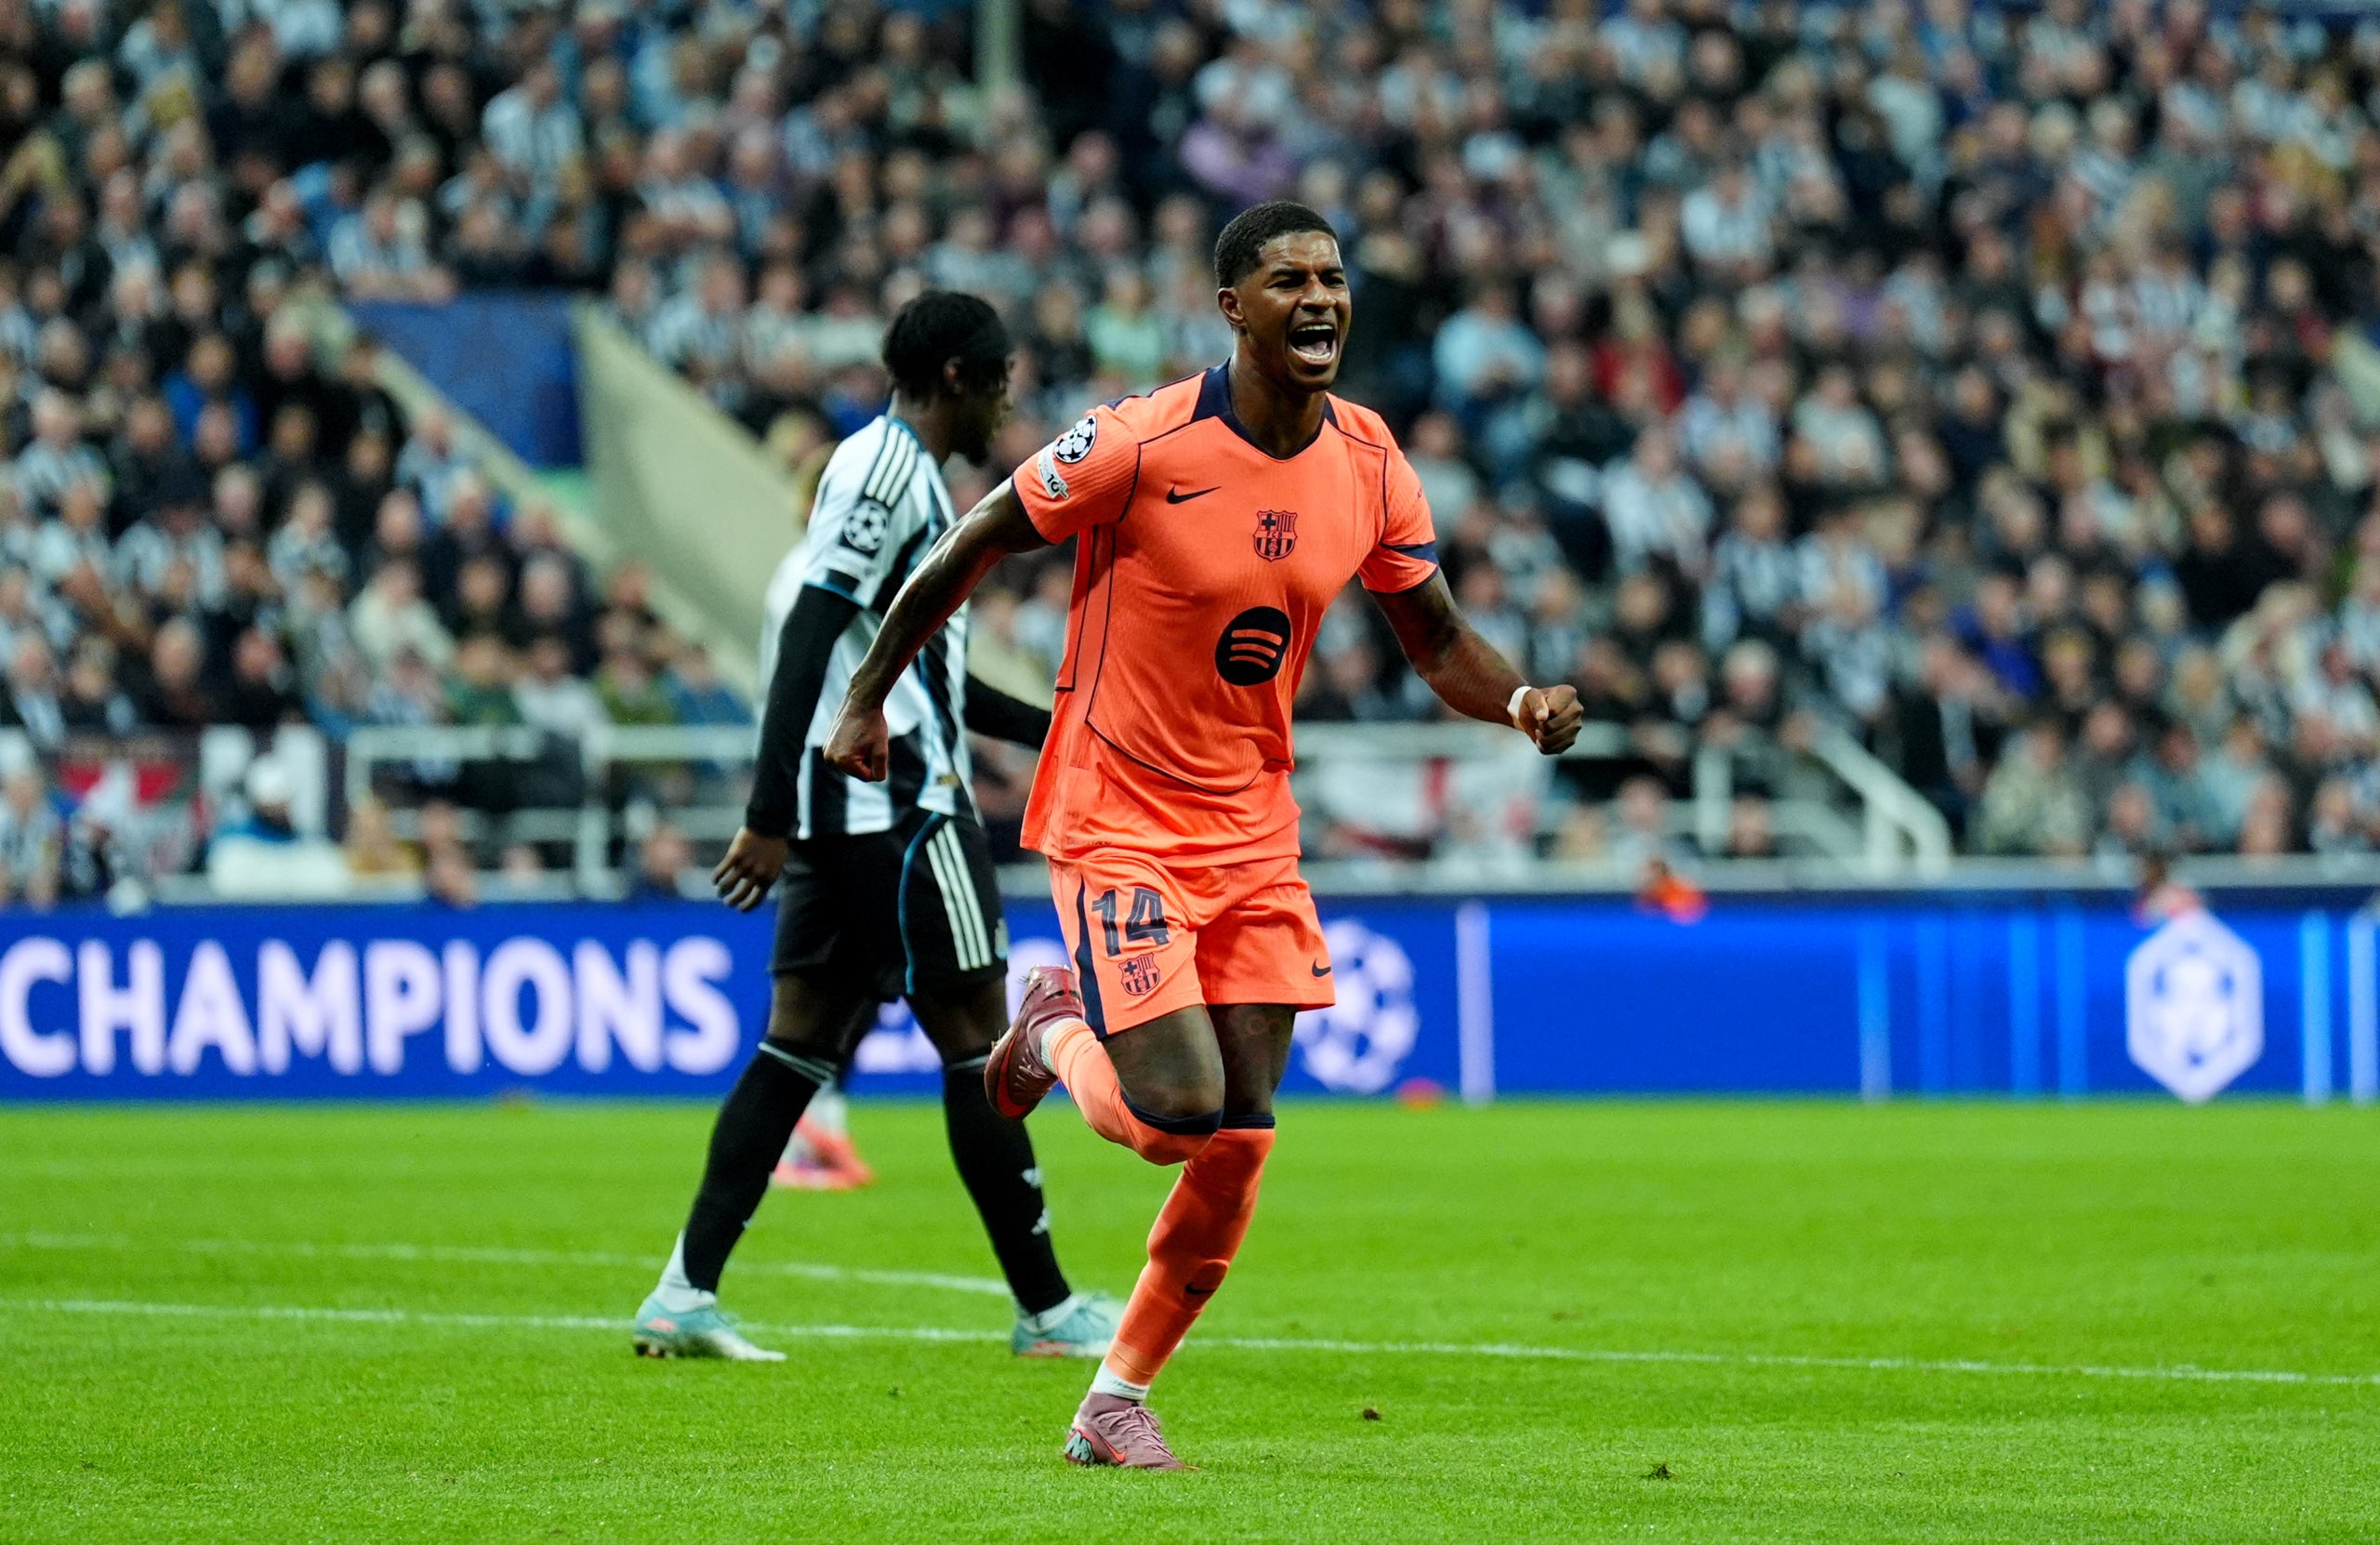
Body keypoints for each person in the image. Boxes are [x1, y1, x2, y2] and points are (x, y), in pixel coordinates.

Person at [822, 202, 1583, 1468]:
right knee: (1177, 1109)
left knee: (1242, 1132)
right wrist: (864, 694)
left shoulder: (1373, 459)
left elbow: (1437, 639)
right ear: (1233, 306)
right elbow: (975, 541)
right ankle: (1054, 1027)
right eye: (1289, 280)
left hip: (1252, 833)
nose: (1321, 298)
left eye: (1334, 277)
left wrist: (1517, 699)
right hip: (1119, 813)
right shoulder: (1135, 442)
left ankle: (1115, 1393)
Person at [632, 292, 1119, 1363]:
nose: (1007, 402)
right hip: (898, 815)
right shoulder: (889, 470)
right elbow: (809, 638)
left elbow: (922, 675)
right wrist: (763, 816)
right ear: (956, 376)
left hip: (841, 811)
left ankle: (681, 1294)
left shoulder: (901, 487)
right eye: (998, 381)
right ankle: (1046, 1312)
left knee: (795, 1045)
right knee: (980, 1045)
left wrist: (1063, 732)